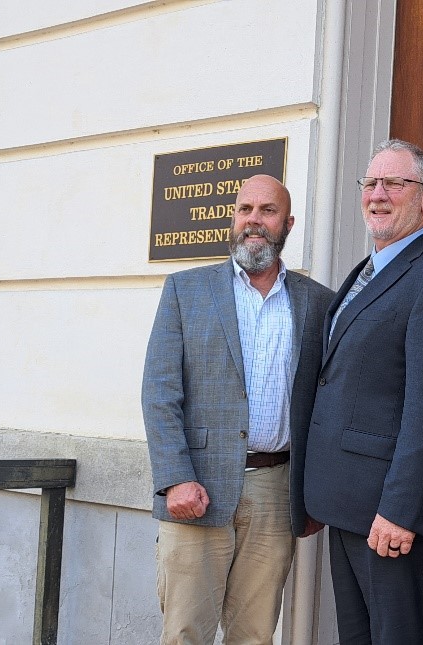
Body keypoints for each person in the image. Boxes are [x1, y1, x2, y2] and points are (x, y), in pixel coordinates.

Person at [142, 175, 335, 645]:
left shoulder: (317, 303)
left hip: (275, 491)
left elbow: (326, 404)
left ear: (288, 224)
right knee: (185, 632)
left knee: (254, 634)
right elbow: (160, 392)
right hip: (197, 486)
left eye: (268, 211)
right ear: (233, 218)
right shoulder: (186, 290)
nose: (254, 220)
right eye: (245, 209)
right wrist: (175, 478)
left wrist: (312, 493)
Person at [293, 140, 423, 644]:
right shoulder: (366, 272)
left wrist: (399, 510)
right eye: (371, 183)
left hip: (389, 517)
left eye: (395, 183)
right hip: (346, 506)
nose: (378, 194)